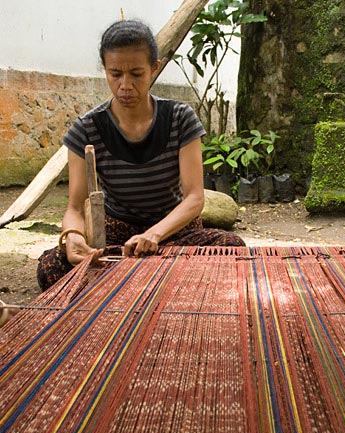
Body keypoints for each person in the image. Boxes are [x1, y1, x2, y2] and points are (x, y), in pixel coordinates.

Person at [37, 19, 245, 291]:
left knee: (232, 249)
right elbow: (76, 207)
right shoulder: (87, 128)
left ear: (154, 68)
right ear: (105, 70)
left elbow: (195, 198)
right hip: (118, 238)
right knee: (50, 268)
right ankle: (156, 281)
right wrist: (73, 236)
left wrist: (154, 234)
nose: (125, 85)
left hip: (175, 233)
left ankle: (130, 283)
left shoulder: (180, 119)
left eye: (136, 74)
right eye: (115, 74)